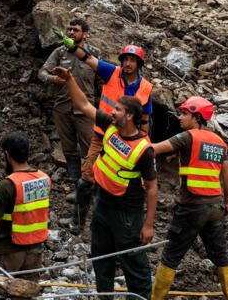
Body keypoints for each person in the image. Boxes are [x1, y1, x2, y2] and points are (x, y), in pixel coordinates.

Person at [52, 65, 157, 300]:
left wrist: (148, 225)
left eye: (118, 109)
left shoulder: (143, 149)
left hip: (127, 215)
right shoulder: (111, 126)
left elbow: (151, 188)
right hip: (103, 206)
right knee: (101, 256)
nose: (113, 111)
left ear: (129, 115)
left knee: (133, 263)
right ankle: (104, 296)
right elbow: (84, 105)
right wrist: (69, 80)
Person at [58, 36, 154, 230]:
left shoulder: (145, 88)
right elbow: (89, 59)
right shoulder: (112, 72)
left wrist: (145, 142)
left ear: (138, 64)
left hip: (126, 142)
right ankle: (78, 222)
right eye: (125, 59)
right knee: (86, 177)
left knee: (120, 179)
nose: (127, 63)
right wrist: (73, 46)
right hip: (103, 133)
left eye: (132, 60)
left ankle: (113, 222)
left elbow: (145, 120)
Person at [149, 97, 228, 300]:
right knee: (220, 253)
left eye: (184, 114)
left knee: (171, 255)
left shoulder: (187, 137)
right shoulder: (219, 142)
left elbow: (154, 149)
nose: (180, 117)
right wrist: (226, 202)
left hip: (192, 207)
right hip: (215, 207)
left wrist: (132, 142)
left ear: (197, 117)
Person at [37, 19, 101, 210]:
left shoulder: (94, 54)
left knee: (91, 150)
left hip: (86, 111)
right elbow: (42, 73)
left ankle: (96, 188)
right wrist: (53, 79)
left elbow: (103, 81)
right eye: (69, 29)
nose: (71, 32)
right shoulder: (59, 52)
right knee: (70, 150)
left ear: (85, 34)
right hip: (63, 109)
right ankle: (76, 186)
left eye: (76, 30)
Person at [0, 132, 50, 280]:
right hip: (35, 254)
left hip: (7, 253)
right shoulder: (44, 179)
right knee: (25, 293)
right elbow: (25, 207)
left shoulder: (8, 184)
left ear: (7, 155)